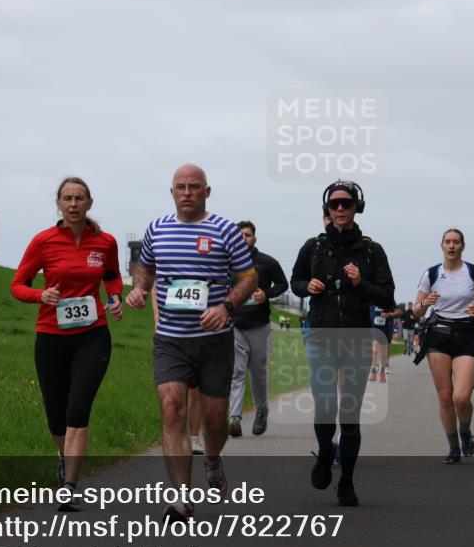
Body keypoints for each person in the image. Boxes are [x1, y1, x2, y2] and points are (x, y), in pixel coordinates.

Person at [126, 164, 257, 522]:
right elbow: (145, 268)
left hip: (213, 339)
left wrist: (227, 306)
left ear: (207, 192)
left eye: (194, 187)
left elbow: (248, 276)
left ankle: (212, 460)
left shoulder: (225, 231)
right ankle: (180, 499)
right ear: (172, 192)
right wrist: (139, 289)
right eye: (180, 187)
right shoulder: (157, 228)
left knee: (215, 420)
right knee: (172, 409)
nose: (187, 193)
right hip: (170, 338)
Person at [11, 176, 123, 511]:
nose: (73, 204)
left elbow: (112, 275)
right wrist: (40, 295)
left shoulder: (105, 242)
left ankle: (70, 486)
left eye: (79, 198)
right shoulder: (43, 242)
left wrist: (114, 297)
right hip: (51, 337)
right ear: (58, 204)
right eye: (67, 198)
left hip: (92, 335)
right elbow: (18, 284)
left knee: (78, 410)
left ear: (90, 203)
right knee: (56, 416)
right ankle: (64, 457)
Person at [290, 180, 395, 506]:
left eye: (345, 203)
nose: (339, 209)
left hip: (357, 338)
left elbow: (387, 294)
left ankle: (347, 481)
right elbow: (295, 282)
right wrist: (310, 286)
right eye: (334, 204)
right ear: (327, 208)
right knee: (325, 406)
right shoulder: (313, 247)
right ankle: (325, 452)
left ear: (356, 207)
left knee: (349, 415)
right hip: (320, 336)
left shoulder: (371, 251)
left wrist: (359, 282)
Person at [413, 229, 474, 464]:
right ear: (442, 245)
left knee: (461, 397)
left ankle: (465, 430)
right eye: (447, 242)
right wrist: (424, 304)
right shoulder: (432, 274)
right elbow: (417, 310)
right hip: (438, 334)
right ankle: (453, 447)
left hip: (465, 333)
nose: (451, 246)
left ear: (462, 246)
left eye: (456, 242)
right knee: (446, 397)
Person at [228, 220, 289, 437]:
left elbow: (283, 284)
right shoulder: (227, 262)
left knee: (258, 373)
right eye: (240, 235)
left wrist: (266, 294)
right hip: (235, 324)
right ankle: (234, 418)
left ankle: (262, 409)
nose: (243, 238)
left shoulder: (267, 262)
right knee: (236, 371)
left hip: (259, 325)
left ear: (254, 239)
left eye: (247, 235)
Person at [153, 297, 205, 454]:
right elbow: (155, 288)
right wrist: (157, 320)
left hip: (200, 331)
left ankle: (194, 437)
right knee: (172, 398)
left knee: (195, 392)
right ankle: (179, 438)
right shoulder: (163, 272)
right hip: (171, 334)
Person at [369, 303, 401, 382]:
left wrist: (389, 315)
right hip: (374, 329)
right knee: (375, 351)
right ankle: (373, 372)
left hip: (386, 329)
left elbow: (398, 312)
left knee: (384, 353)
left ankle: (382, 372)